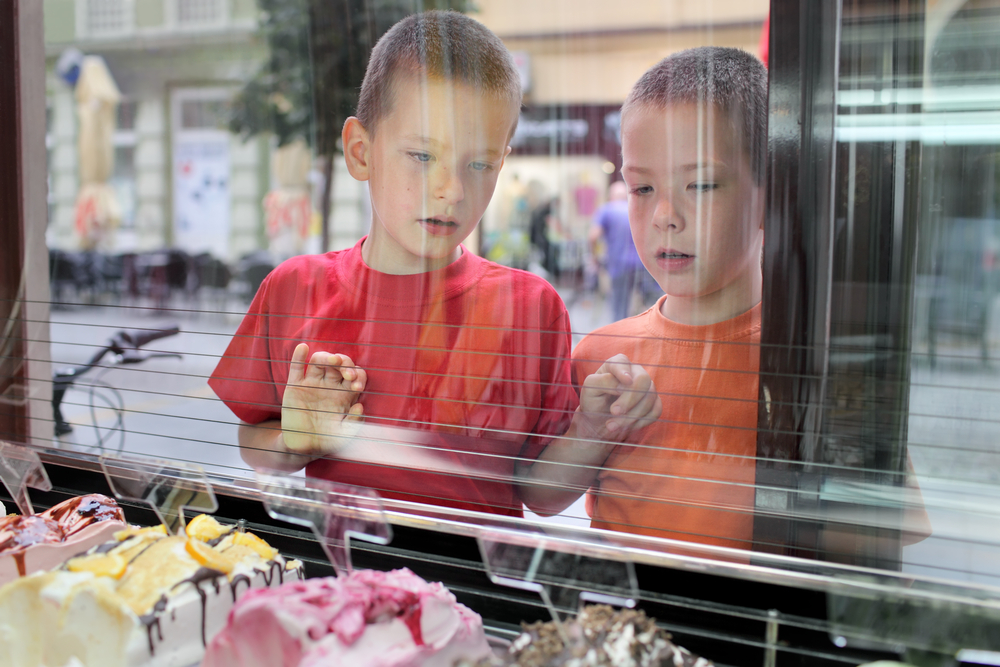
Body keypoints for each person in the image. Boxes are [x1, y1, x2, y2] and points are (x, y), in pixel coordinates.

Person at [209, 11, 659, 519]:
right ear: (361, 152)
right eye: (423, 156)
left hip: (474, 569)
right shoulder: (295, 288)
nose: (452, 189)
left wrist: (592, 430)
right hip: (339, 564)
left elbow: (540, 494)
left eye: (479, 164)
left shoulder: (531, 307)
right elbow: (253, 439)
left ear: (502, 164)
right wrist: (295, 441)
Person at [570, 47, 930, 552]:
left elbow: (894, 525)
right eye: (642, 187)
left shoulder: (814, 358)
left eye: (701, 184)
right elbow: (541, 496)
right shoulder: (602, 357)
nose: (665, 215)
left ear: (772, 194)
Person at [589, 180, 658, 321]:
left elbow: (593, 236)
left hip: (619, 265)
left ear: (611, 196)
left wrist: (594, 257)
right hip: (642, 264)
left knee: (619, 306)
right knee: (652, 302)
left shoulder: (606, 210)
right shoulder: (636, 210)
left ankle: (621, 330)